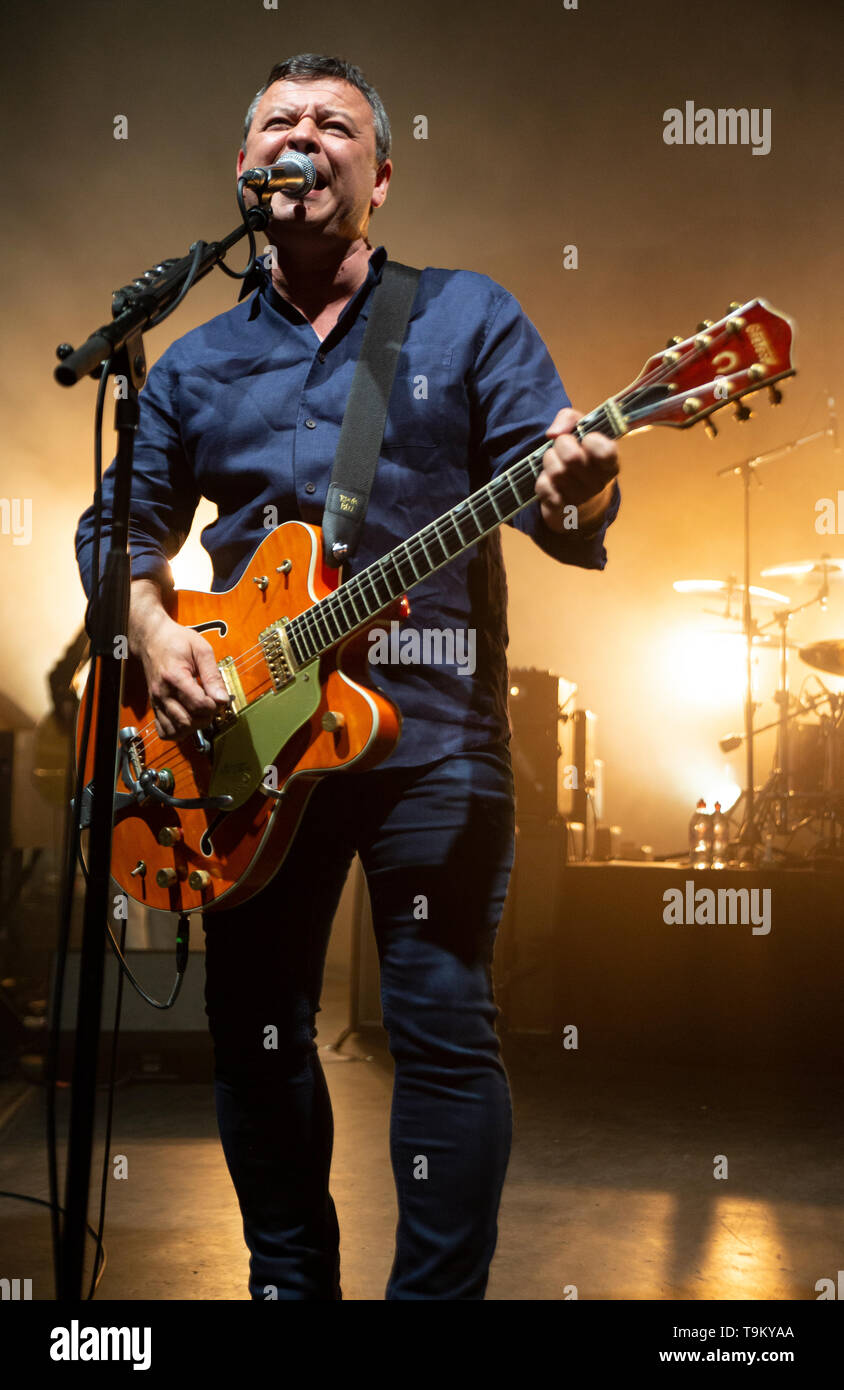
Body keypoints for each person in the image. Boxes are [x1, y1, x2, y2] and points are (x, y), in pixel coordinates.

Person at [75, 53, 620, 1300]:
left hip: (427, 734)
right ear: (245, 170)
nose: (304, 137)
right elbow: (118, 535)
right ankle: (287, 1285)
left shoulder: (467, 316)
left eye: (336, 125)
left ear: (379, 175)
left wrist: (583, 486)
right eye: (281, 122)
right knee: (254, 1030)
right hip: (240, 741)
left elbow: (554, 497)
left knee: (439, 1027)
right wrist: (159, 639)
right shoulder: (194, 362)